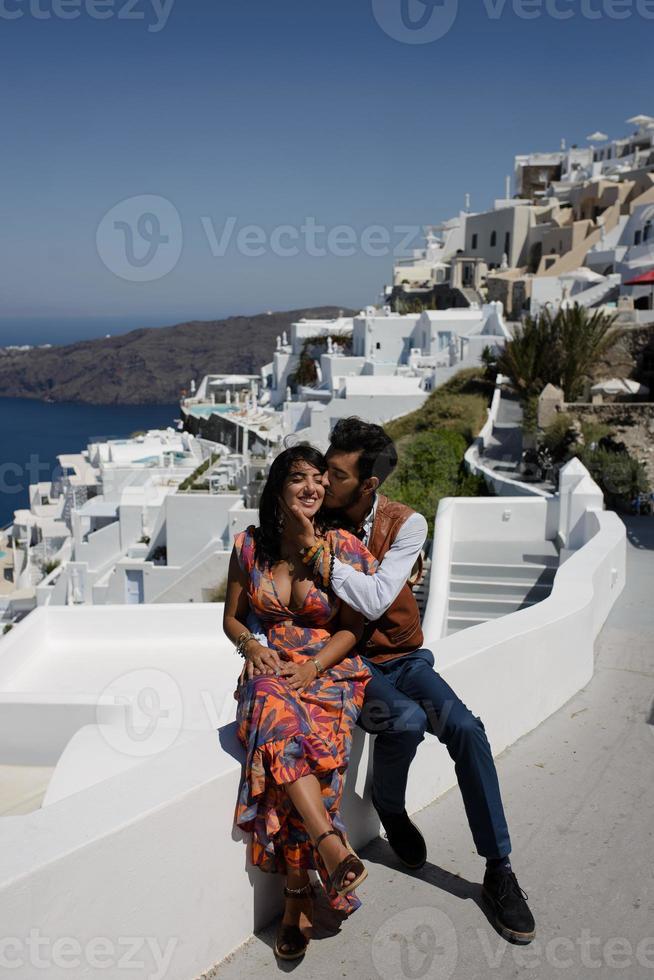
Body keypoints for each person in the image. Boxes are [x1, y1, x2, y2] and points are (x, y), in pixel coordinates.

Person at [285, 417, 537, 945]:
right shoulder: (317, 514)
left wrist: (320, 557)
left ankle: (498, 869)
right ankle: (392, 807)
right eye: (324, 470)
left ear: (368, 483)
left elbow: (376, 598)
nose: (324, 483)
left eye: (337, 474)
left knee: (466, 729)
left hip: (404, 658)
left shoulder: (407, 524)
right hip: (350, 663)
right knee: (405, 719)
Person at [223, 443, 378, 961]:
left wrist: (312, 667)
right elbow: (233, 618)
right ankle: (328, 845)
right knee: (275, 714)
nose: (311, 488)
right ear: (278, 488)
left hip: (329, 671)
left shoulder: (342, 549)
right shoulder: (249, 546)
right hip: (271, 669)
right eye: (298, 479)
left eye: (319, 479)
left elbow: (354, 630)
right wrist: (251, 646)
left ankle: (296, 896)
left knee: (311, 757)